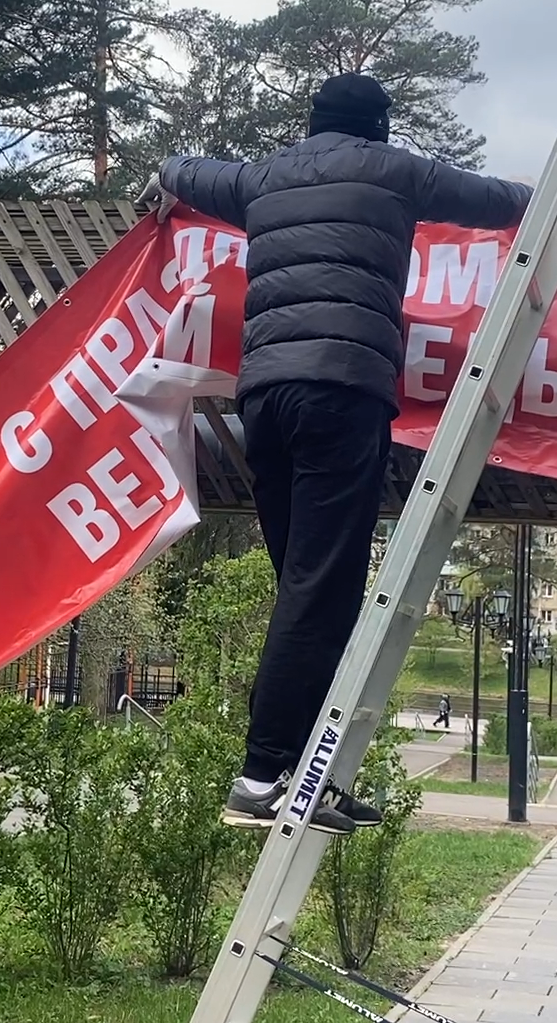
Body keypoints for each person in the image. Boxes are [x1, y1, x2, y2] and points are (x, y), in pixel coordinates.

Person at [141, 72, 532, 835]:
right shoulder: (396, 170)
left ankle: (297, 773)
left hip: (264, 400)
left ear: (312, 122)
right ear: (377, 126)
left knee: (301, 587)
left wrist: (158, 182)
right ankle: (262, 774)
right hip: (341, 392)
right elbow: (503, 203)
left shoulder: (263, 178)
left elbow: (183, 168)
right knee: (322, 591)